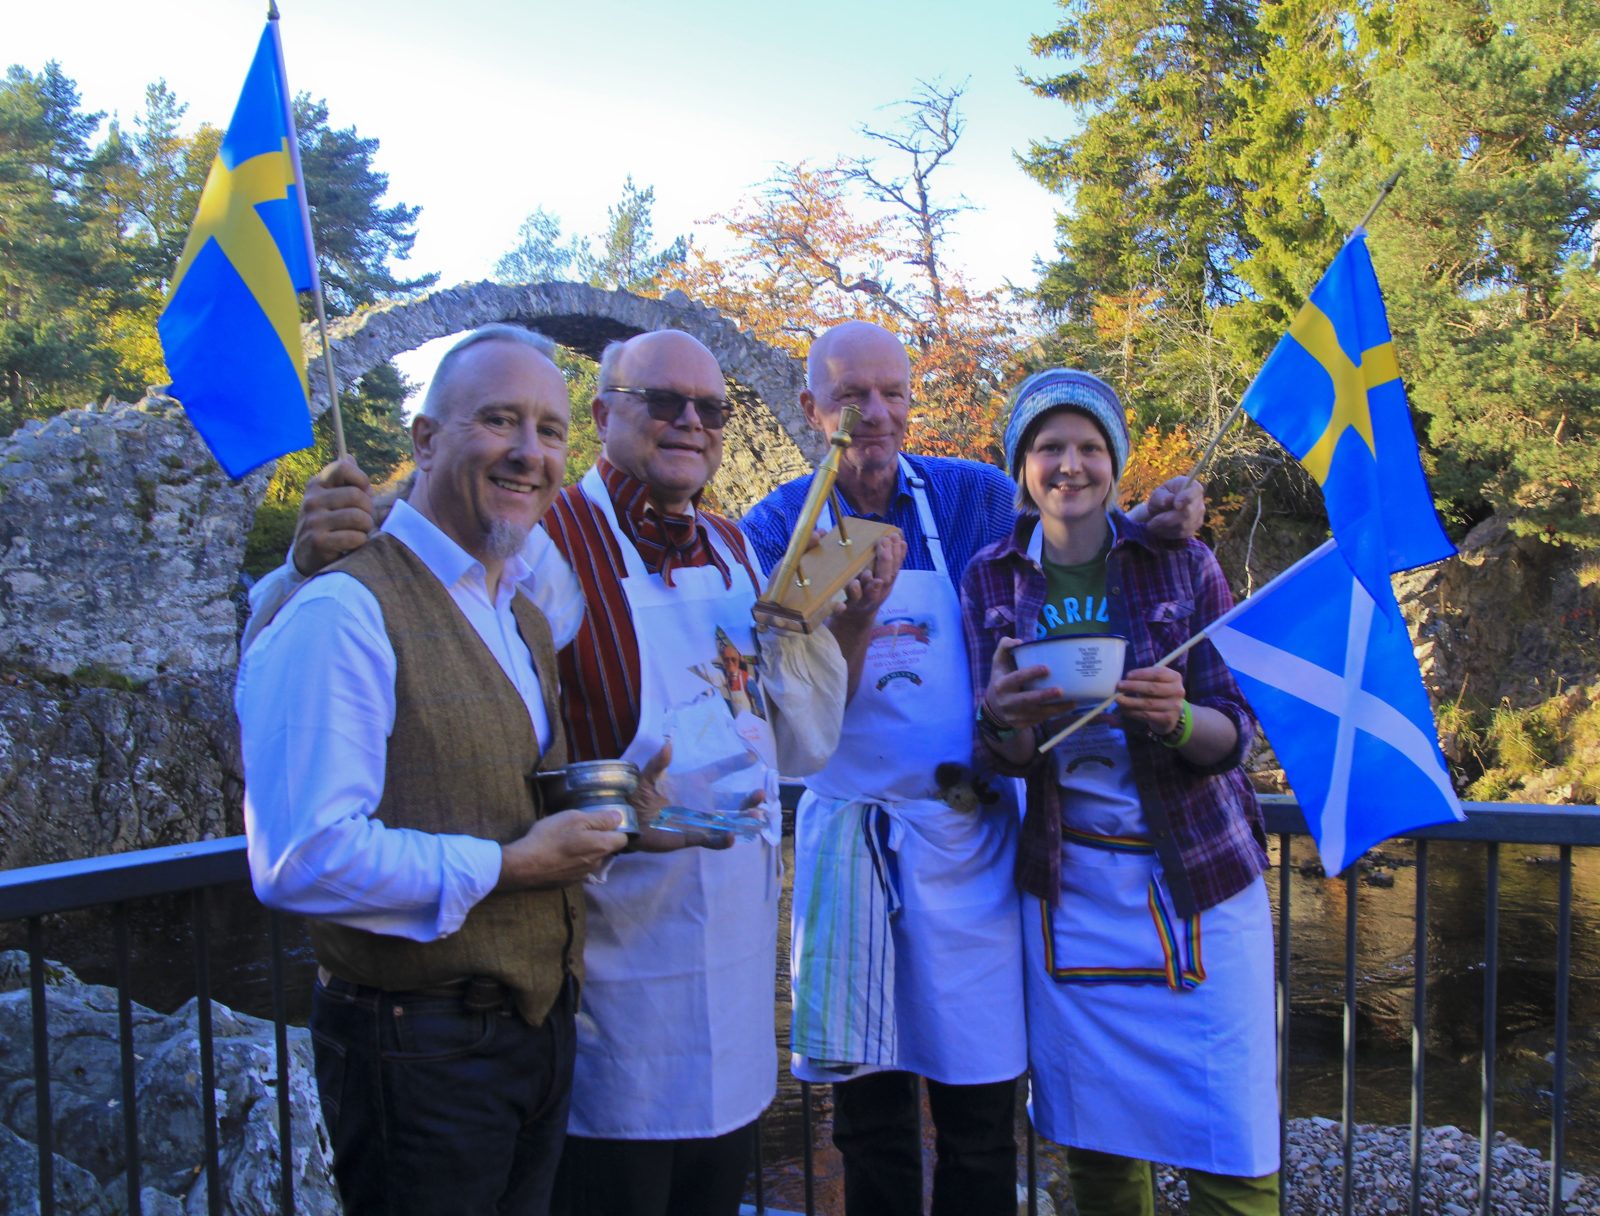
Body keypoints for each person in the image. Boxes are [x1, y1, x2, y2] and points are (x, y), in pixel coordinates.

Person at [272, 327, 874, 1216]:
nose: (691, 423)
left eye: (710, 408)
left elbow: (794, 743)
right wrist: (301, 568)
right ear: (604, 416)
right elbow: (412, 600)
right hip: (604, 981)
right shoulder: (533, 538)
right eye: (662, 402)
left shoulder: (737, 548)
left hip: (738, 977)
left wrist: (845, 619)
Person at [740, 322, 1205, 1216]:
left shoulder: (973, 498)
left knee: (982, 1114)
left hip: (969, 832)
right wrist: (852, 621)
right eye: (850, 398)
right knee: (868, 1118)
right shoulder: (777, 526)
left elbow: (1073, 535)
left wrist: (1151, 517)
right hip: (852, 837)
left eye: (893, 394)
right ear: (810, 409)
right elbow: (782, 705)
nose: (875, 415)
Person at [237, 325, 667, 1216]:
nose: (529, 452)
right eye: (499, 420)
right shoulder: (344, 610)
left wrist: (610, 808)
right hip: (415, 1053)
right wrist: (515, 868)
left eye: (551, 431)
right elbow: (301, 859)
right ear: (425, 441)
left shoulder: (521, 618)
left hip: (529, 1042)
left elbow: (495, 786)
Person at [960, 369, 1278, 1216]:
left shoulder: (1181, 560)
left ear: (1116, 461)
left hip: (1200, 880)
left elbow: (1236, 734)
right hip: (1072, 890)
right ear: (1022, 465)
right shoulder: (989, 577)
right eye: (1049, 447)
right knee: (1098, 1152)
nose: (1071, 465)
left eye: (1090, 447)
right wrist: (1001, 715)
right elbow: (1002, 756)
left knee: (1236, 1150)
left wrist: (1176, 721)